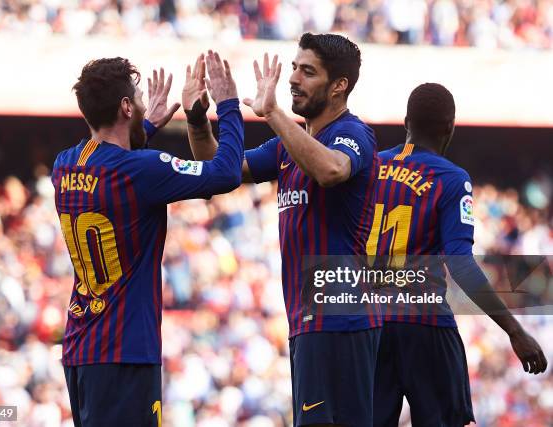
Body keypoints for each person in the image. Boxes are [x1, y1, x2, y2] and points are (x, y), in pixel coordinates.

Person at [183, 34, 382, 427]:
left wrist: (272, 112)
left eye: (307, 72)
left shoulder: (353, 133)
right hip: (307, 321)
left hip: (342, 319)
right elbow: (219, 170)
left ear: (339, 85)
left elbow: (332, 170)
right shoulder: (286, 147)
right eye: (294, 67)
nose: (293, 78)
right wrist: (197, 118)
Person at [52, 54, 243, 427]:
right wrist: (229, 105)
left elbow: (116, 167)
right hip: (125, 352)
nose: (143, 103)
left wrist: (148, 123)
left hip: (80, 348)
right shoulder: (143, 169)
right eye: (137, 98)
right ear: (125, 107)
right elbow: (227, 173)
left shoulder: (64, 165)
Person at [370, 83, 548, 427]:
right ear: (450, 126)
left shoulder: (372, 168)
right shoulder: (451, 178)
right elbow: (461, 263)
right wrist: (513, 330)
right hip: (425, 324)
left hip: (371, 325)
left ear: (406, 122)